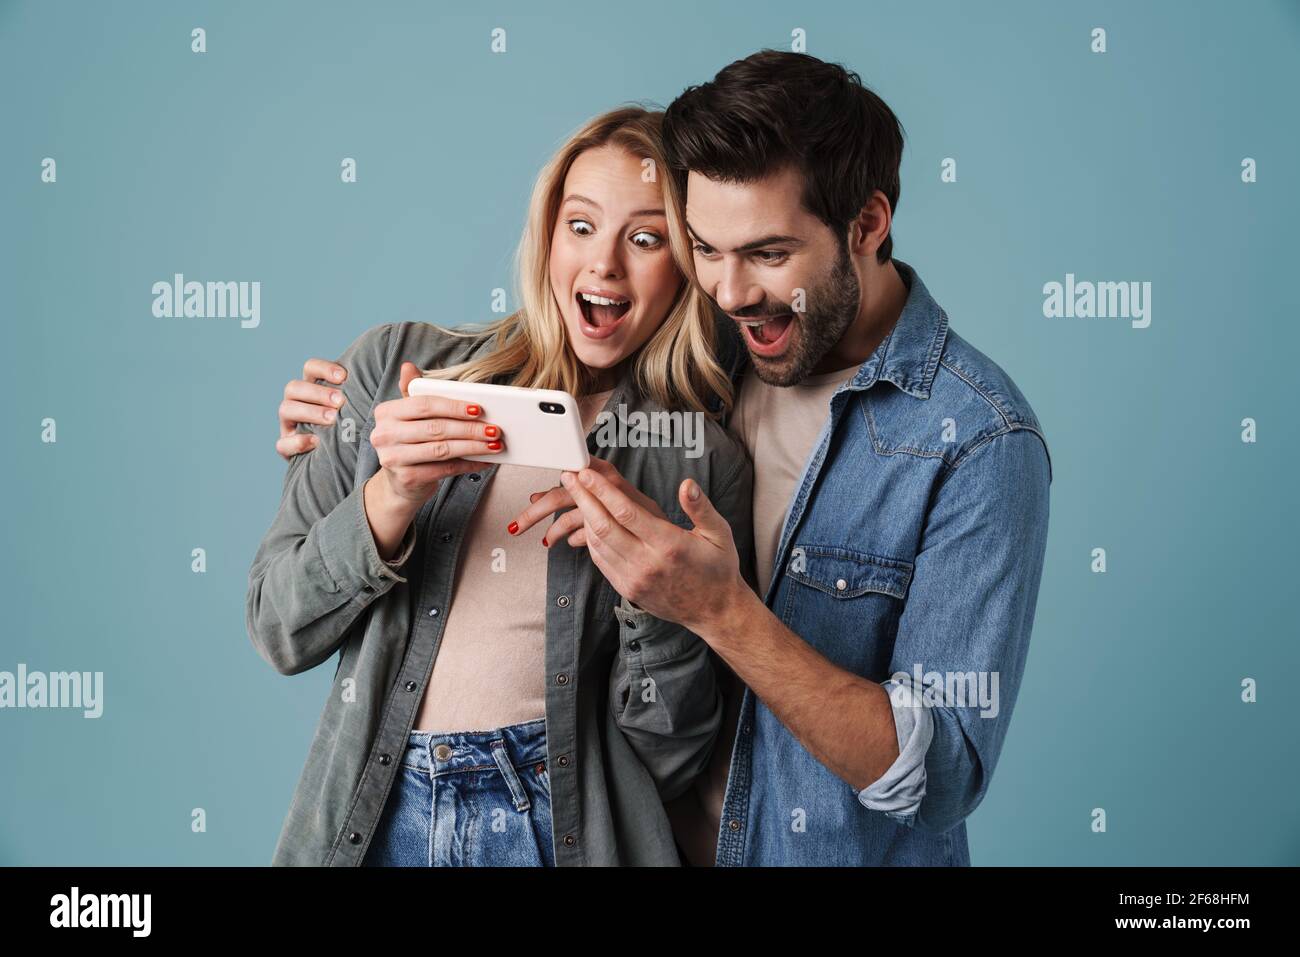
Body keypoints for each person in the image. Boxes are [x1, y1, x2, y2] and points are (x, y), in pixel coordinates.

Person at [280, 50, 1053, 868]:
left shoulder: (977, 439)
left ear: (866, 225)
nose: (729, 288)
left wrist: (719, 611)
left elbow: (939, 775)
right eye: (704, 250)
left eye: (767, 253)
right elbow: (584, 328)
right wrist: (338, 421)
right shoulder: (712, 354)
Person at [247, 106, 755, 867]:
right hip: (381, 813)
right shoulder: (397, 366)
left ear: (687, 263)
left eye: (646, 239)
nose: (605, 265)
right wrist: (392, 497)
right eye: (581, 225)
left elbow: (674, 754)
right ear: (548, 233)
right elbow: (280, 626)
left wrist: (655, 594)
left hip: (559, 826)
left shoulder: (700, 462)